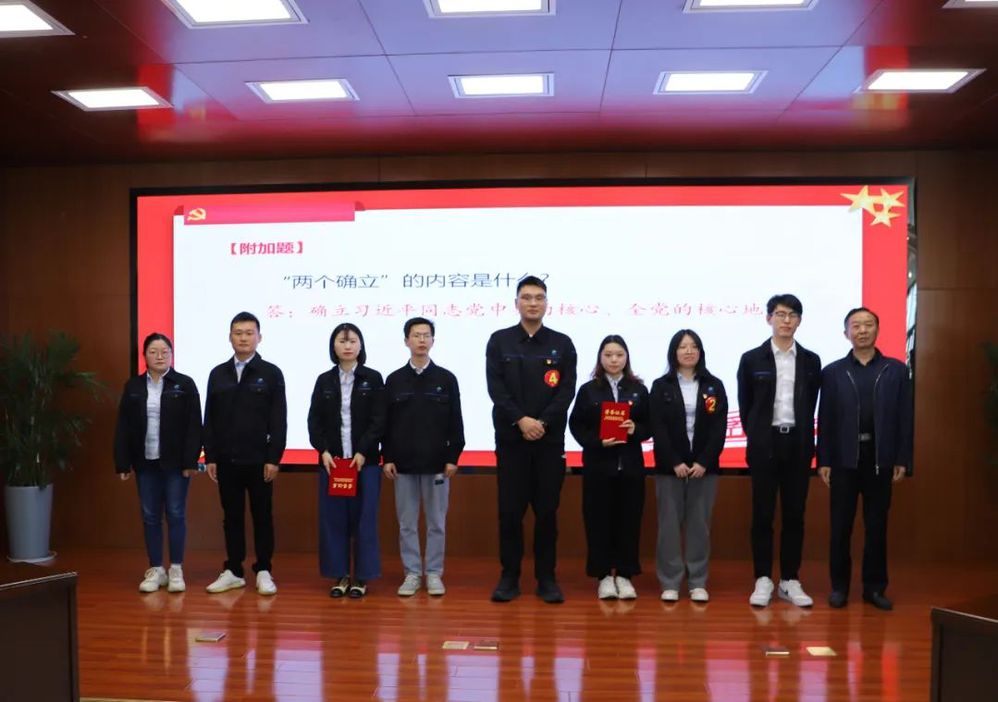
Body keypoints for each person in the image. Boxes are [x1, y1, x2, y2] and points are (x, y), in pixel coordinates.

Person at [485, 275, 577, 604]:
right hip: (511, 441)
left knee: (547, 512)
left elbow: (566, 391)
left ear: (547, 303)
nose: (533, 303)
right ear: (516, 303)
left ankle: (546, 578)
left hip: (549, 444)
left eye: (539, 297)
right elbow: (496, 389)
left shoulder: (562, 344)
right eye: (527, 297)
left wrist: (542, 423)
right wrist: (521, 420)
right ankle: (509, 577)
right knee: (510, 513)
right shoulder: (499, 341)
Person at [817, 307, 912, 611]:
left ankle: (874, 588)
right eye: (856, 326)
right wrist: (824, 460)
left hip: (880, 459)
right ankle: (839, 587)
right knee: (840, 527)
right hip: (843, 460)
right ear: (846, 333)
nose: (862, 330)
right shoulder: (832, 372)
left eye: (868, 325)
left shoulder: (896, 371)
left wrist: (902, 458)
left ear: (877, 330)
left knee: (877, 527)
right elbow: (826, 419)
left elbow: (905, 418)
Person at [737, 294, 822, 608]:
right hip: (764, 445)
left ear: (799, 321)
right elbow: (746, 406)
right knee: (762, 514)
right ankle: (762, 578)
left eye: (792, 315)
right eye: (781, 314)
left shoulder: (811, 360)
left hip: (798, 445)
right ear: (769, 318)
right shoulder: (751, 359)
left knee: (794, 515)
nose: (786, 320)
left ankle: (789, 579)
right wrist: (759, 436)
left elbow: (811, 403)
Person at [203, 312, 287, 596]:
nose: (243, 338)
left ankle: (263, 569)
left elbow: (278, 419)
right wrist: (210, 456)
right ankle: (234, 570)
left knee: (262, 515)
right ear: (230, 337)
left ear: (259, 337)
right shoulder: (218, 374)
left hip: (260, 460)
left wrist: (274, 458)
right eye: (238, 333)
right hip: (227, 459)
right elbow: (210, 419)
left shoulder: (271, 373)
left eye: (249, 333)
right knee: (232, 517)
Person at [383, 317, 465, 597]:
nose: (421, 340)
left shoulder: (446, 379)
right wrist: (387, 457)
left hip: (437, 463)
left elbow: (456, 422)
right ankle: (412, 573)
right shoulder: (394, 380)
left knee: (436, 523)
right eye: (416, 335)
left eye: (426, 335)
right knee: (406, 523)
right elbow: (386, 424)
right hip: (403, 464)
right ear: (406, 341)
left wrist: (453, 456)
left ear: (433, 340)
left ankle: (433, 573)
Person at [113, 332, 202, 593]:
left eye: (165, 352)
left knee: (175, 513)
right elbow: (123, 426)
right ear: (144, 356)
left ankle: (176, 568)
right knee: (150, 516)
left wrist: (190, 461)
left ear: (172, 355)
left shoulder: (184, 384)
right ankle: (155, 569)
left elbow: (194, 426)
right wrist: (122, 462)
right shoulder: (133, 387)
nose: (160, 356)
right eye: (153, 352)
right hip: (145, 461)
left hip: (176, 463)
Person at [568, 335, 651, 600]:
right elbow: (576, 425)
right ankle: (603, 576)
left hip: (631, 467)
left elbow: (651, 424)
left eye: (619, 355)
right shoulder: (588, 390)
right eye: (608, 355)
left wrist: (635, 429)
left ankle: (625, 575)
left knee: (629, 521)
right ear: (600, 358)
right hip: (598, 467)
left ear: (626, 358)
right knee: (598, 521)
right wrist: (597, 440)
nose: (614, 360)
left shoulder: (639, 390)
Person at [307, 323, 386, 598]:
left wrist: (363, 450)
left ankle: (361, 577)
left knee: (365, 520)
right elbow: (314, 421)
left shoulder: (373, 378)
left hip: (365, 464)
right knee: (334, 520)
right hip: (333, 464)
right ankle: (339, 575)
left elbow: (379, 420)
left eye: (352, 341)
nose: (347, 346)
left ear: (360, 345)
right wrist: (323, 450)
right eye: (342, 341)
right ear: (334, 346)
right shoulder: (324, 380)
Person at [650, 329, 728, 603]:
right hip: (669, 468)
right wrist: (674, 461)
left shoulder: (714, 385)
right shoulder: (661, 386)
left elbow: (719, 428)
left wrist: (704, 461)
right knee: (669, 527)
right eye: (683, 346)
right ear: (674, 352)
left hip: (703, 469)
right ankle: (670, 581)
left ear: (700, 351)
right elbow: (658, 427)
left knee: (699, 527)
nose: (688, 351)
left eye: (694, 346)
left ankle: (697, 581)